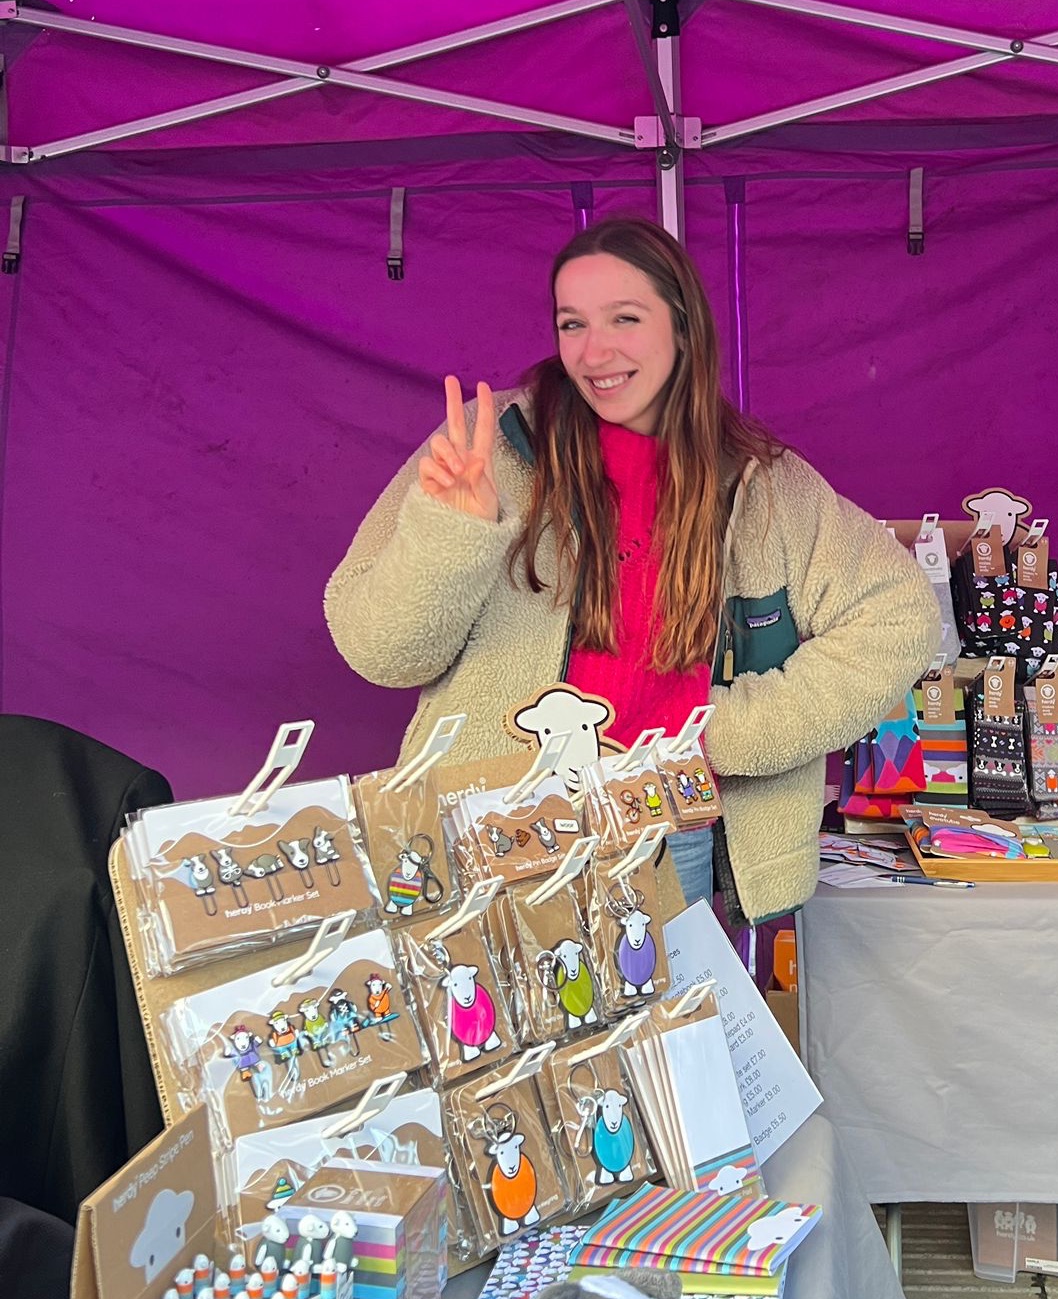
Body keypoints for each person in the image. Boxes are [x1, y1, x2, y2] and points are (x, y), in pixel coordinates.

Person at [325, 216, 937, 922]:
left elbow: (900, 616)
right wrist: (452, 533)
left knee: (672, 1036)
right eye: (572, 323)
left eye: (624, 318)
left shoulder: (763, 484)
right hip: (497, 834)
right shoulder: (490, 446)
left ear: (683, 328)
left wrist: (722, 733)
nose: (595, 351)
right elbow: (381, 651)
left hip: (669, 840)